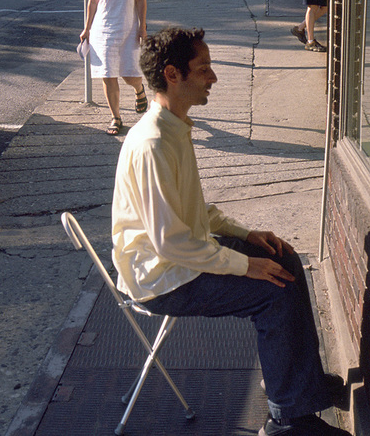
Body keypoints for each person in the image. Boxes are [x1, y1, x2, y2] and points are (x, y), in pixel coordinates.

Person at [112, 26, 350, 436]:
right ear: (172, 74)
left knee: (283, 259)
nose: (213, 77)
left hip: (182, 257)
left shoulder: (174, 126)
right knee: (272, 288)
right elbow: (171, 241)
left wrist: (247, 235)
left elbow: (193, 210)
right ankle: (288, 420)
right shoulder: (152, 142)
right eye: (203, 68)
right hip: (162, 276)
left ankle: (297, 384)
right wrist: (244, 266)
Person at [80, 0, 148, 136]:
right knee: (108, 75)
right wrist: (87, 28)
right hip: (103, 30)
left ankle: (139, 90)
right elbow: (93, 1)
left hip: (128, 28)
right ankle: (116, 117)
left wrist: (142, 26)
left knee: (129, 74)